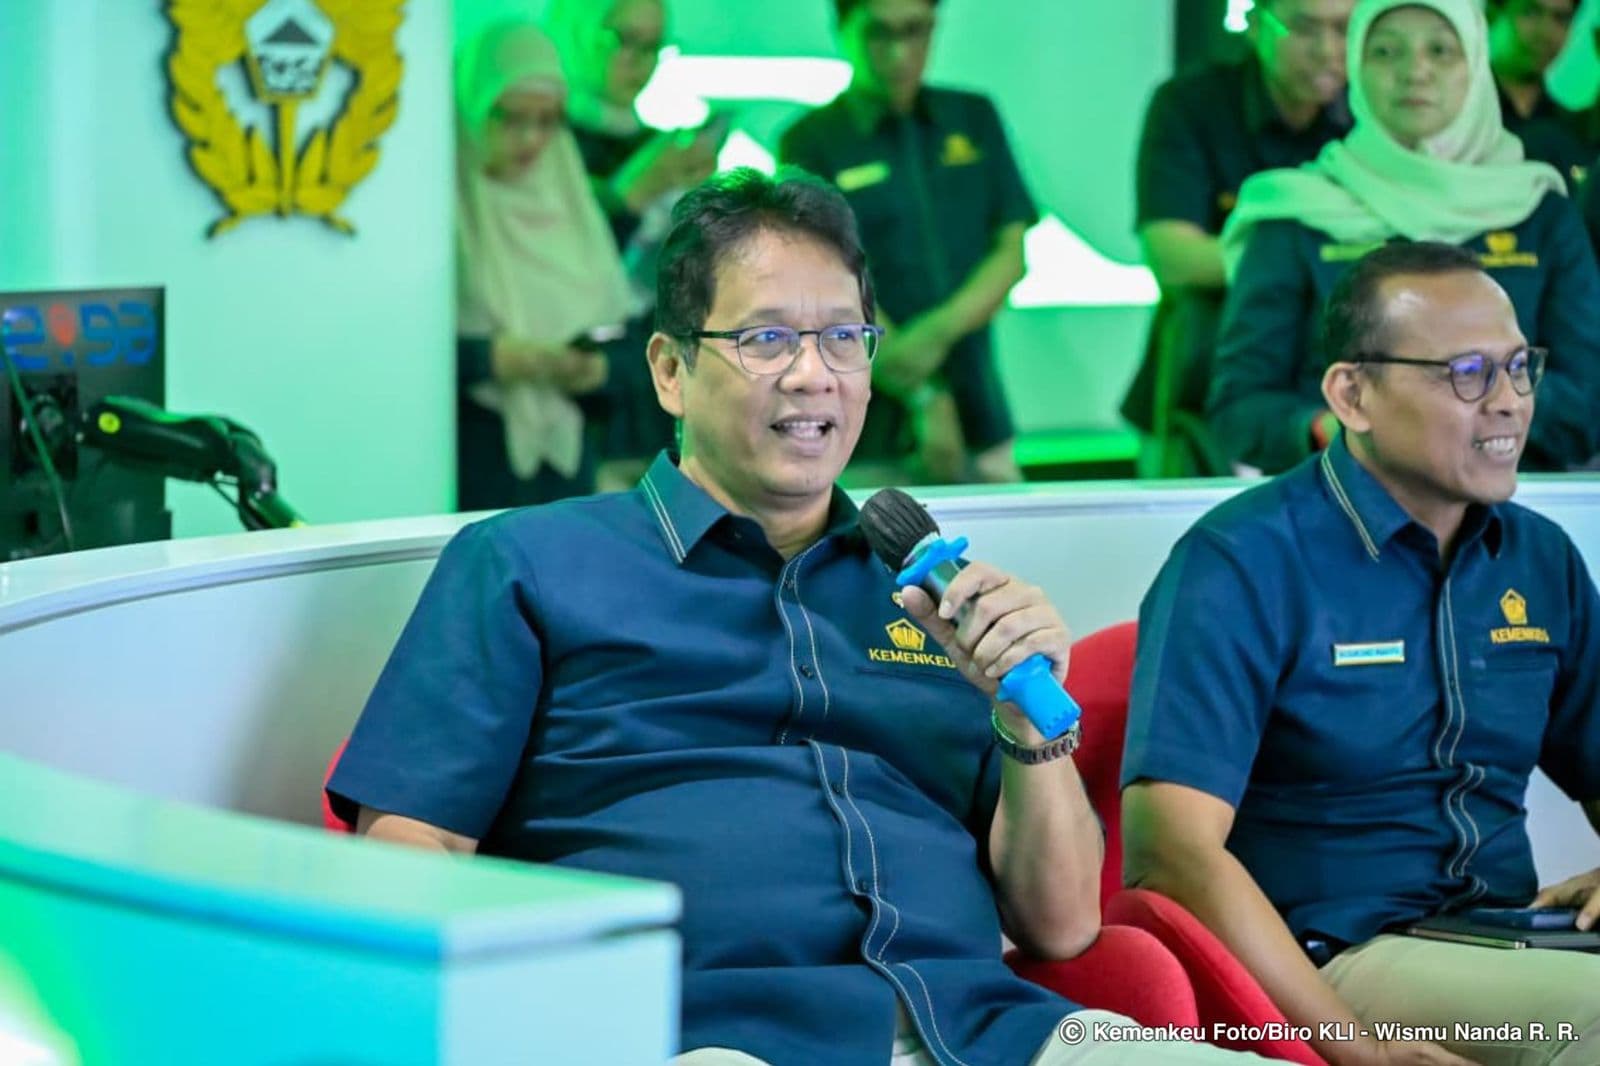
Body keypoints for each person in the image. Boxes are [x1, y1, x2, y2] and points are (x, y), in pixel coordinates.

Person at [328, 168, 1268, 1064]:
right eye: (767, 339)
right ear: (669, 370)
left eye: (845, 338)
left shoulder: (931, 595)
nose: (814, 375)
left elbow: (1060, 925)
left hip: (982, 1032)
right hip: (693, 1037)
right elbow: (413, 850)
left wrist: (1024, 723)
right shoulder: (525, 565)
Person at [1125, 241, 1600, 1066]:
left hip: (1514, 938)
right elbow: (1171, 852)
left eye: (1520, 366)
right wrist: (1356, 1050)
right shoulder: (1242, 560)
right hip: (1341, 961)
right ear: (1353, 394)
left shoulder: (1538, 558)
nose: (1510, 402)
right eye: (1466, 372)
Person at [1207, 0, 1600, 476]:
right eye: (1386, 52)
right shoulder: (1297, 209)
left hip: (1515, 501)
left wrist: (1441, 420)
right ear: (1355, 64)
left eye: (1440, 51)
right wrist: (1326, 427)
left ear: (1475, 64)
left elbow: (1585, 399)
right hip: (1338, 499)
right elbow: (1240, 405)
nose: (1414, 72)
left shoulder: (1540, 211)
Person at [780, 0, 1035, 486]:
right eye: (880, 33)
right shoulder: (810, 142)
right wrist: (921, 390)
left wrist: (930, 341)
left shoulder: (973, 117)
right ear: (843, 29)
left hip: (980, 405)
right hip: (862, 420)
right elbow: (819, 280)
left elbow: (1010, 253)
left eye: (916, 31)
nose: (900, 52)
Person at [1122, 0, 1355, 475]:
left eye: (1345, 30)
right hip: (1210, 377)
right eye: (1306, 28)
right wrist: (1300, 265)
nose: (1328, 50)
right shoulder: (1192, 104)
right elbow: (1172, 254)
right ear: (1254, 25)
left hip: (1335, 384)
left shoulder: (1375, 116)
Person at [454, 22, 632, 509]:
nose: (531, 138)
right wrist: (495, 359)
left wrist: (595, 370)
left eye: (547, 120)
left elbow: (625, 339)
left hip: (567, 473)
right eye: (509, 118)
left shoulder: (571, 208)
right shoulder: (442, 217)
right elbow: (397, 356)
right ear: (471, 105)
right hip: (465, 470)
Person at [545, 0, 720, 489]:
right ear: (574, 27)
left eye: (652, 46)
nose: (637, 60)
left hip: (647, 393)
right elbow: (551, 273)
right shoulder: (537, 140)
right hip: (566, 398)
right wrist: (628, 196)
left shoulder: (658, 144)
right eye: (623, 39)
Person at [1486, 0, 1592, 191]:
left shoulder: (1573, 134)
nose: (1546, 33)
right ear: (1492, 14)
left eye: (1560, 19)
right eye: (1530, 11)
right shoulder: (1454, 117)